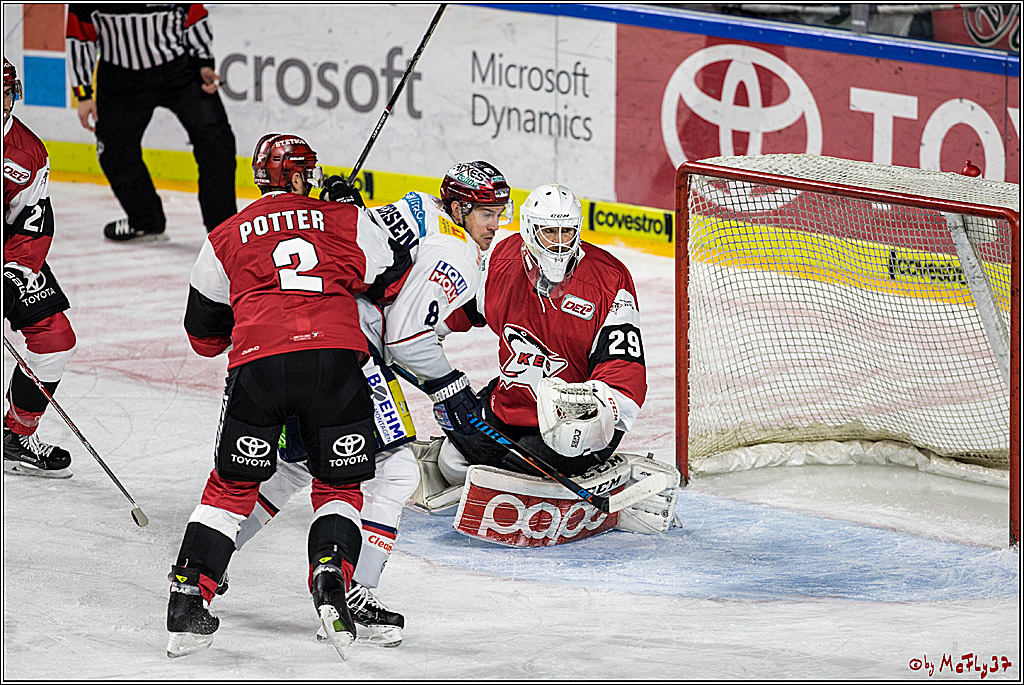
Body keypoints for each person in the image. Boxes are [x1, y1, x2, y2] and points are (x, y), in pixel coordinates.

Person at [227, 161, 514, 647]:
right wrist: (450, 387)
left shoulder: (418, 206)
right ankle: (354, 590)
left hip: (303, 331)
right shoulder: (458, 254)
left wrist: (341, 203)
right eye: (487, 213)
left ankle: (211, 556)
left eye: (500, 212)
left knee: (297, 467)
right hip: (348, 351)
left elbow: (358, 247)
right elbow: (405, 340)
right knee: (398, 470)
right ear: (461, 208)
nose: (496, 225)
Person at [165, 133, 409, 661]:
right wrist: (347, 212)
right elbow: (389, 278)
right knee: (339, 483)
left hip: (259, 366)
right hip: (336, 365)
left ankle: (187, 598)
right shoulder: (343, 221)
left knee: (230, 487)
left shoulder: (225, 236)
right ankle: (331, 586)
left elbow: (203, 338)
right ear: (300, 176)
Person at [427, 183, 679, 544]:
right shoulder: (503, 259)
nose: (560, 242)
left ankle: (597, 467)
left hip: (574, 418)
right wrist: (422, 331)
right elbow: (465, 308)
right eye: (550, 231)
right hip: (511, 403)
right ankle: (555, 476)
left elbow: (625, 372)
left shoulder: (608, 278)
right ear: (530, 230)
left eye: (568, 231)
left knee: (518, 474)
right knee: (452, 462)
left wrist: (593, 415)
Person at [65, 4, 237, 242]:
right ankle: (145, 221)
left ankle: (222, 229)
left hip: (178, 71)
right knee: (115, 151)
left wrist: (204, 63)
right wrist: (83, 93)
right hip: (120, 80)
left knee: (217, 143)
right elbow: (79, 36)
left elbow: (193, 17)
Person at [3, 57, 77, 478]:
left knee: (55, 338)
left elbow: (31, 221)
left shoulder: (27, 154)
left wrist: (14, 276)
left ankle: (16, 436)